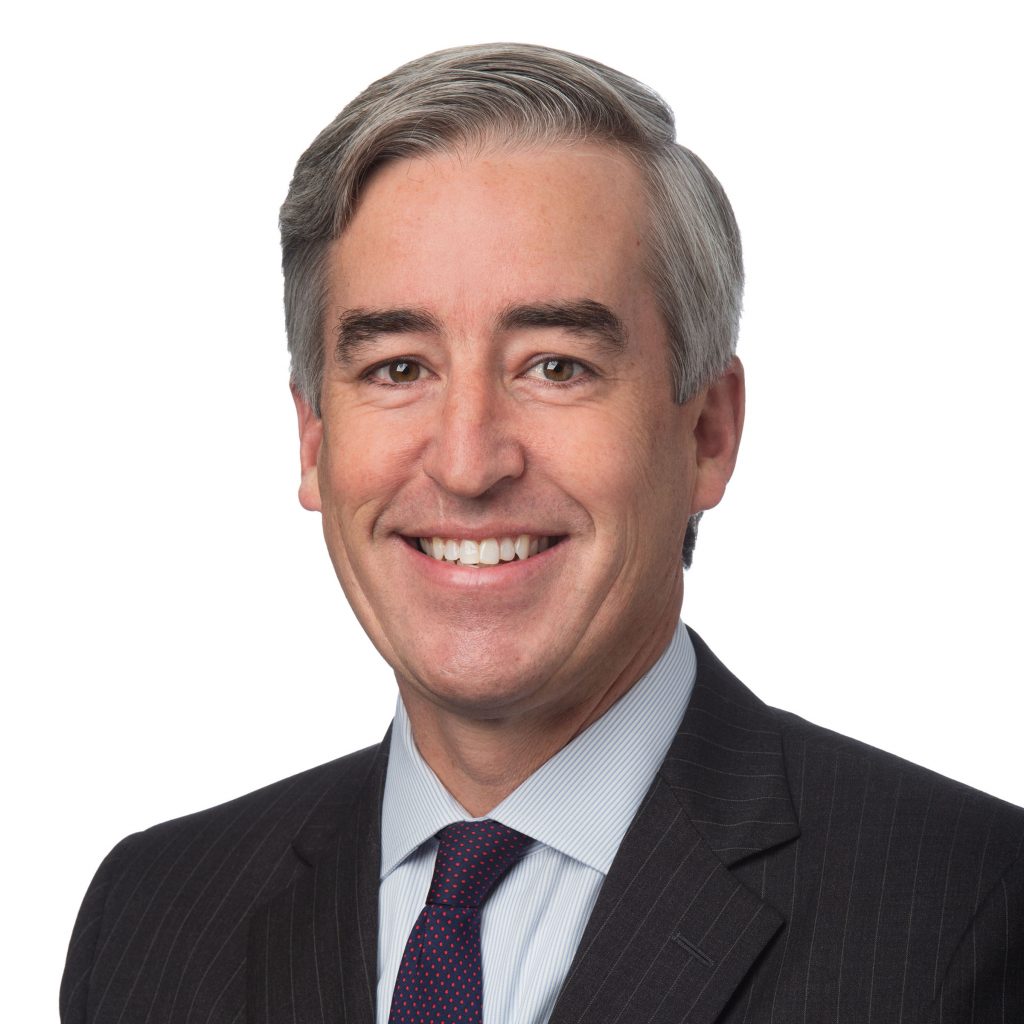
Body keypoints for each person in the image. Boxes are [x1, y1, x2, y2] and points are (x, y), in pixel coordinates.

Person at [61, 42, 1023, 1024]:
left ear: (708, 432)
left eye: (556, 366)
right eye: (398, 369)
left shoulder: (970, 911)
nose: (467, 462)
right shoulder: (152, 921)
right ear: (314, 440)